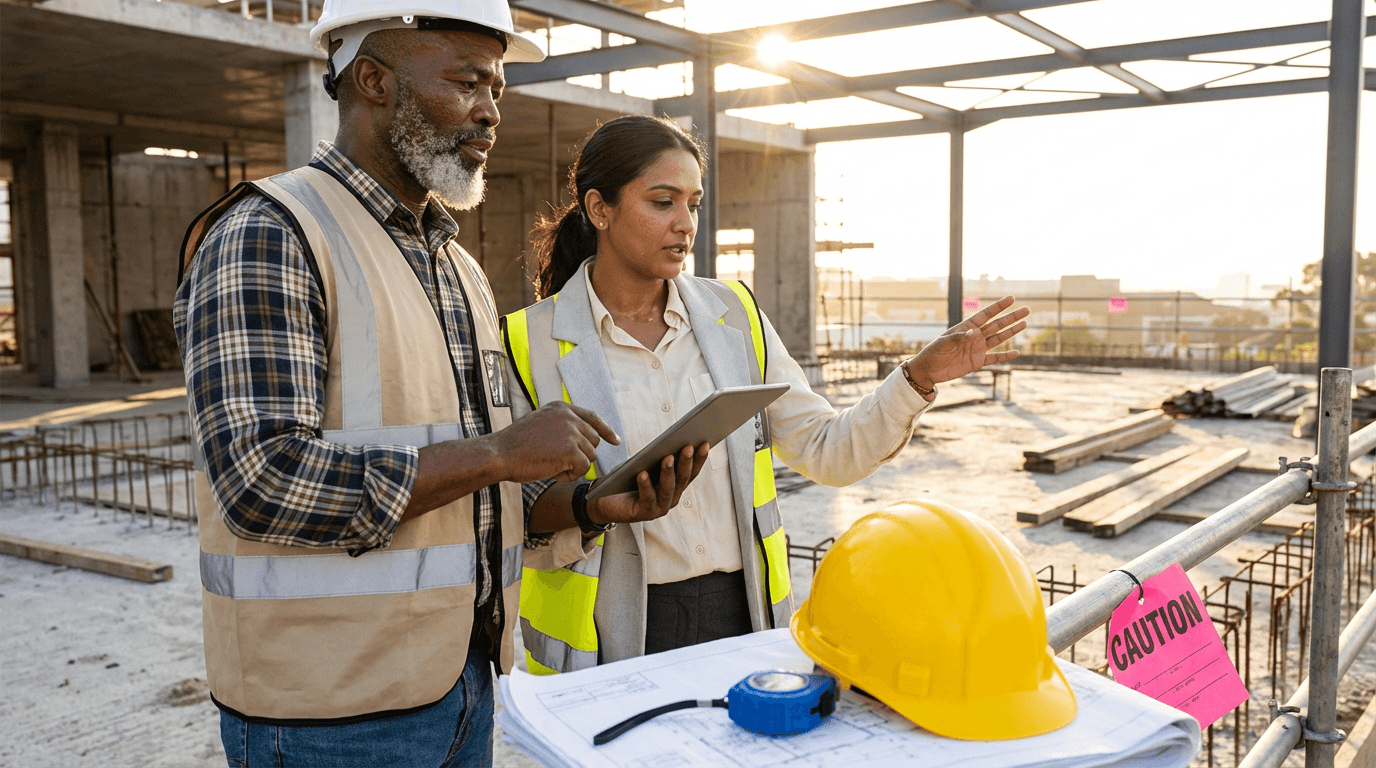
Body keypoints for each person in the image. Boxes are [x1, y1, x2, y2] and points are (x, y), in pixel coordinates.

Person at [174, 4, 691, 765]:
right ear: (374, 81)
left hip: (461, 684)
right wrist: (500, 453)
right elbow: (261, 480)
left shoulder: (456, 267)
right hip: (329, 715)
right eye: (466, 83)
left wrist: (584, 503)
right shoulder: (272, 233)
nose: (489, 113)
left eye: (498, 90)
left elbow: (466, 495)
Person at [502, 114, 1030, 675]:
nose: (686, 225)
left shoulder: (735, 315)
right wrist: (594, 507)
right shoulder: (526, 340)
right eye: (663, 202)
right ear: (599, 209)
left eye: (694, 203)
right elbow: (510, 512)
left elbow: (829, 449)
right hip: (604, 637)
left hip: (744, 615)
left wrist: (918, 376)